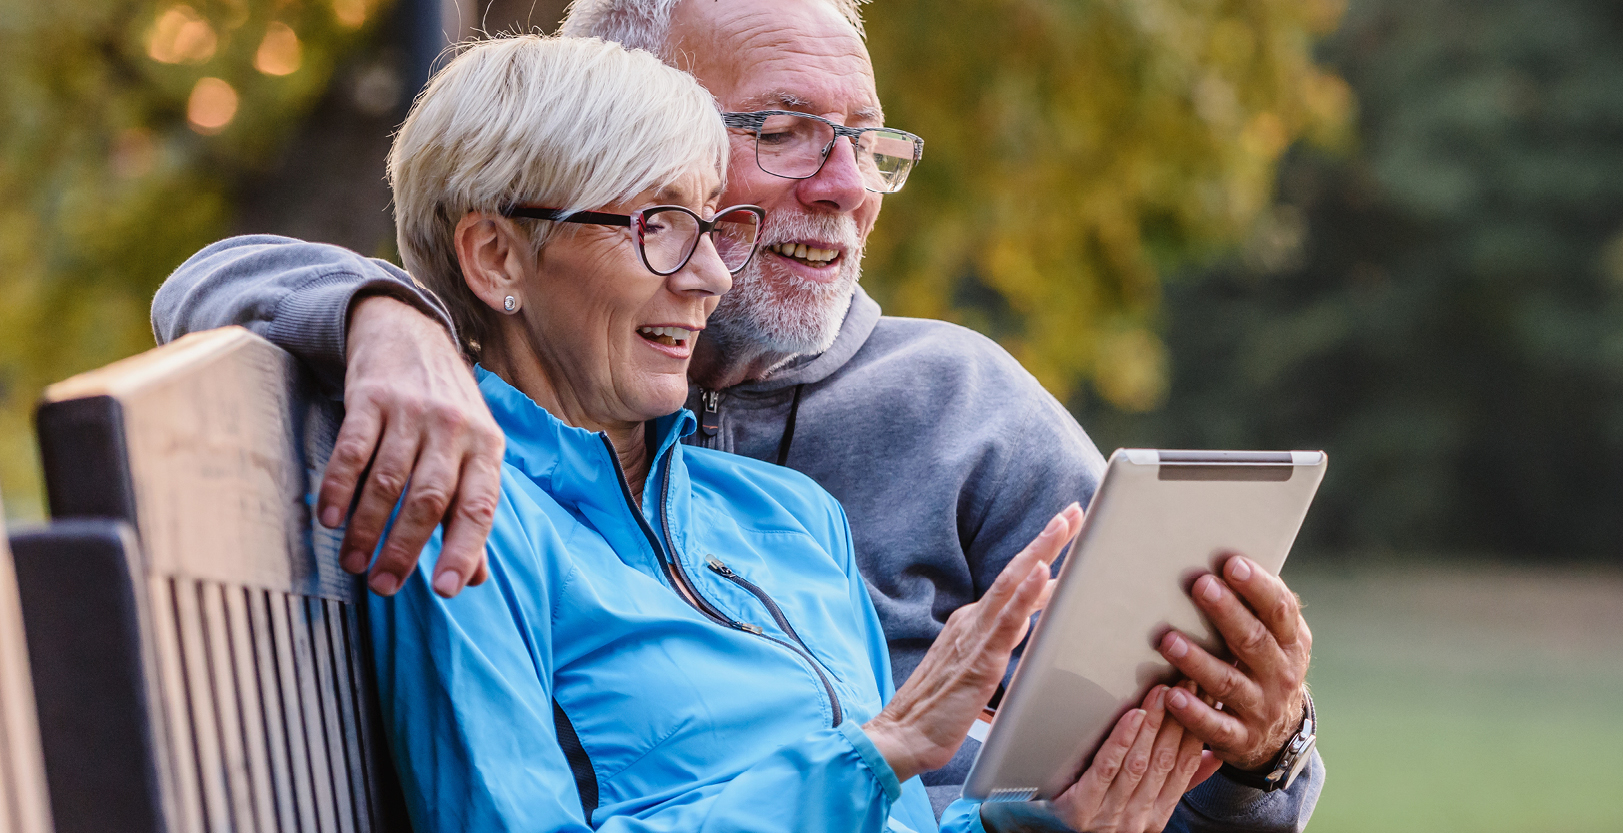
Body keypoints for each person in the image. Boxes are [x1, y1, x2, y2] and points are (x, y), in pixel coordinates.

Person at [153, 0, 1323, 826]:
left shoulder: (850, 475)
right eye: (785, 130)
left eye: (863, 142)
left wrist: (1254, 754)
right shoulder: (460, 478)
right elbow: (209, 280)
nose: (845, 185)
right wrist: (384, 314)